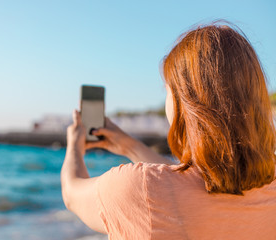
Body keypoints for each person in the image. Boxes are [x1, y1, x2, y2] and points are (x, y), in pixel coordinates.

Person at [60, 22, 276, 239]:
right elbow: (185, 183)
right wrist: (129, 146)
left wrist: (74, 148)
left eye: (168, 90)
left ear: (187, 103)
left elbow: (72, 194)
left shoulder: (137, 188)